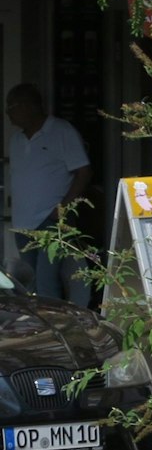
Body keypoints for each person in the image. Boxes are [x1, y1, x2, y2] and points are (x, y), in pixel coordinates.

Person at [5, 84, 91, 303]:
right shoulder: (15, 140)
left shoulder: (61, 131)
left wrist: (63, 207)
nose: (8, 113)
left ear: (28, 106)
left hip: (51, 220)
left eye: (12, 107)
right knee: (28, 284)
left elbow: (83, 171)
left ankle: (55, 328)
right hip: (23, 223)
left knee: (46, 282)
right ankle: (37, 328)